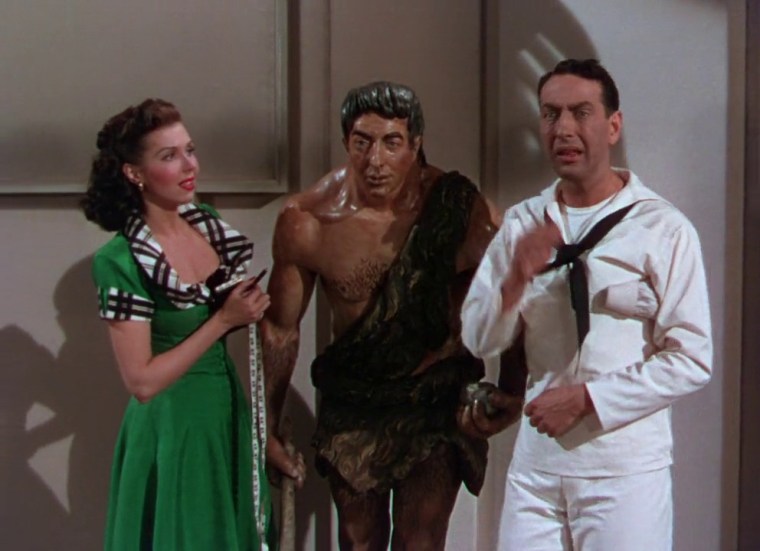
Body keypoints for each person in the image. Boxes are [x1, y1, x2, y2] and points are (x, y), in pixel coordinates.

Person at [460, 58, 713, 550]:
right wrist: (514, 280)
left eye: (581, 113)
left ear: (613, 126)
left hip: (624, 470)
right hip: (538, 468)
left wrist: (589, 399)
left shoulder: (662, 228)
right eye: (550, 114)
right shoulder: (524, 223)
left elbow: (692, 359)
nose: (564, 129)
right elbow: (476, 337)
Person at [261, 81, 512, 550]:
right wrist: (269, 427)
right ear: (346, 143)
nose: (375, 161)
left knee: (421, 540)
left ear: (415, 144)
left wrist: (511, 391)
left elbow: (516, 293)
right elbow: (280, 328)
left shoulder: (458, 210)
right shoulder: (309, 220)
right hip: (354, 399)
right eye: (362, 143)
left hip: (432, 397)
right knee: (359, 541)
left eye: (391, 143)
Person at [81, 98, 276, 550]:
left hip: (224, 414)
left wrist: (243, 308)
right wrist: (223, 320)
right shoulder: (120, 261)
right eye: (169, 156)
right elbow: (143, 382)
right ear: (135, 173)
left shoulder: (207, 226)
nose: (190, 166)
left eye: (190, 150)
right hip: (171, 430)